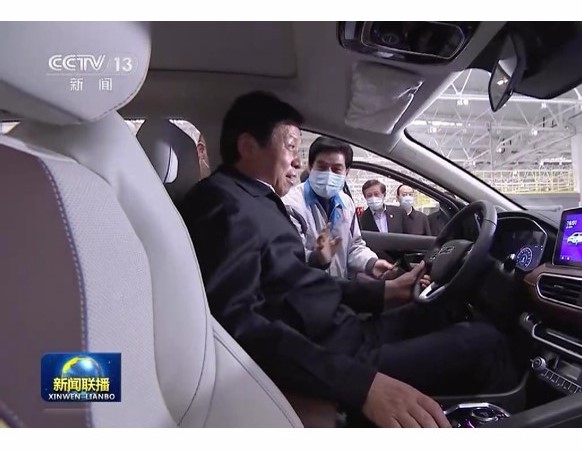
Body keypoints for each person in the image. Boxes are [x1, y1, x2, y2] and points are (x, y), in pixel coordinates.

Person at [180, 91, 516, 428]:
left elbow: (299, 282)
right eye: (291, 147)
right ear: (248, 147)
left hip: (345, 330)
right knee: (486, 344)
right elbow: (237, 325)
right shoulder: (222, 204)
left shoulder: (255, 199)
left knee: (446, 308)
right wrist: (359, 384)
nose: (297, 162)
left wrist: (386, 292)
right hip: (333, 354)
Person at [283, 136, 394, 279]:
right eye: (322, 167)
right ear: (310, 167)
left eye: (336, 169)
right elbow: (290, 258)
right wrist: (318, 258)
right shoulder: (291, 205)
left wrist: (371, 263)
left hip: (339, 286)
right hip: (308, 288)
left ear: (346, 172)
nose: (329, 174)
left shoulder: (346, 203)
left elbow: (354, 246)